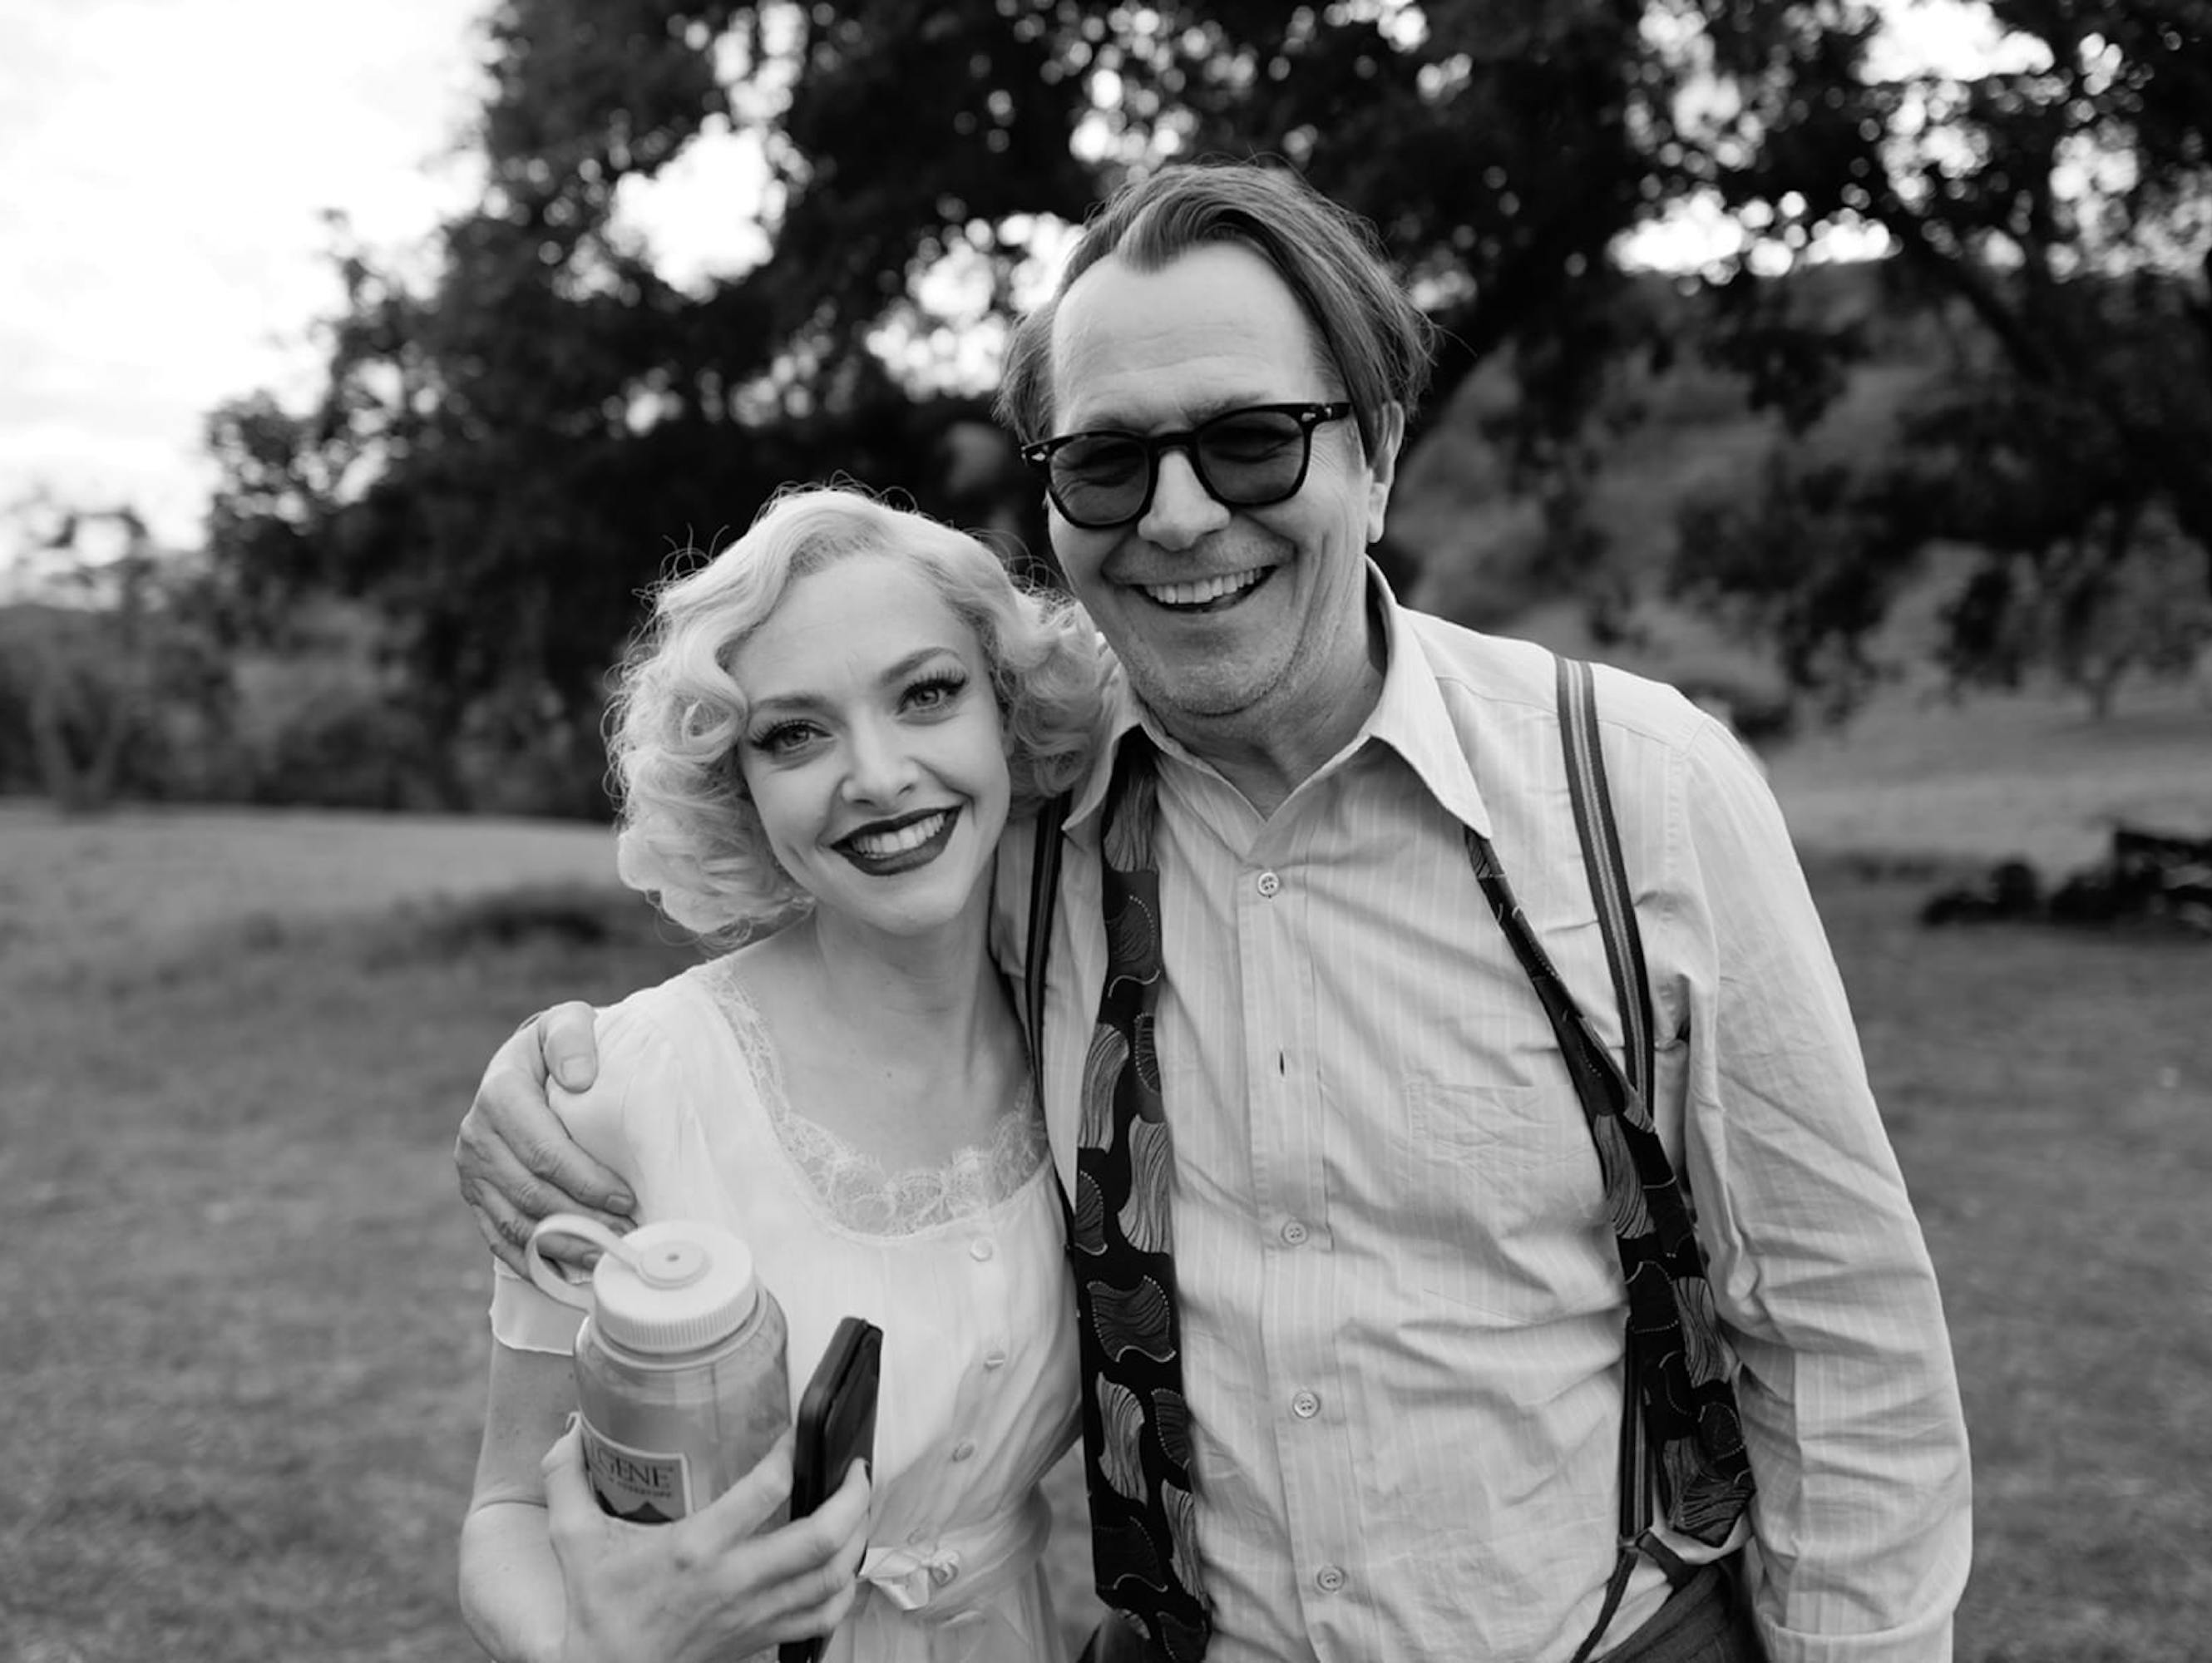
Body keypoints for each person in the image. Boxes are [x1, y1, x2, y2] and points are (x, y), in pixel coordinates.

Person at [460, 161, 1973, 1662]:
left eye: (1251, 442)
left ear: (1374, 454)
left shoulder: (1636, 786)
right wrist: (551, 1082)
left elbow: (1838, 1329)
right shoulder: (1030, 822)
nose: (1178, 518)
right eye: (1108, 464)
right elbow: (819, 957)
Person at [457, 486, 1107, 1662]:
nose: (876, 774)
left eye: (926, 694)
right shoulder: (621, 1090)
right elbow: (506, 1515)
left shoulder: (1092, 1034)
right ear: (738, 788)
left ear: (1005, 712)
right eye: (794, 733)